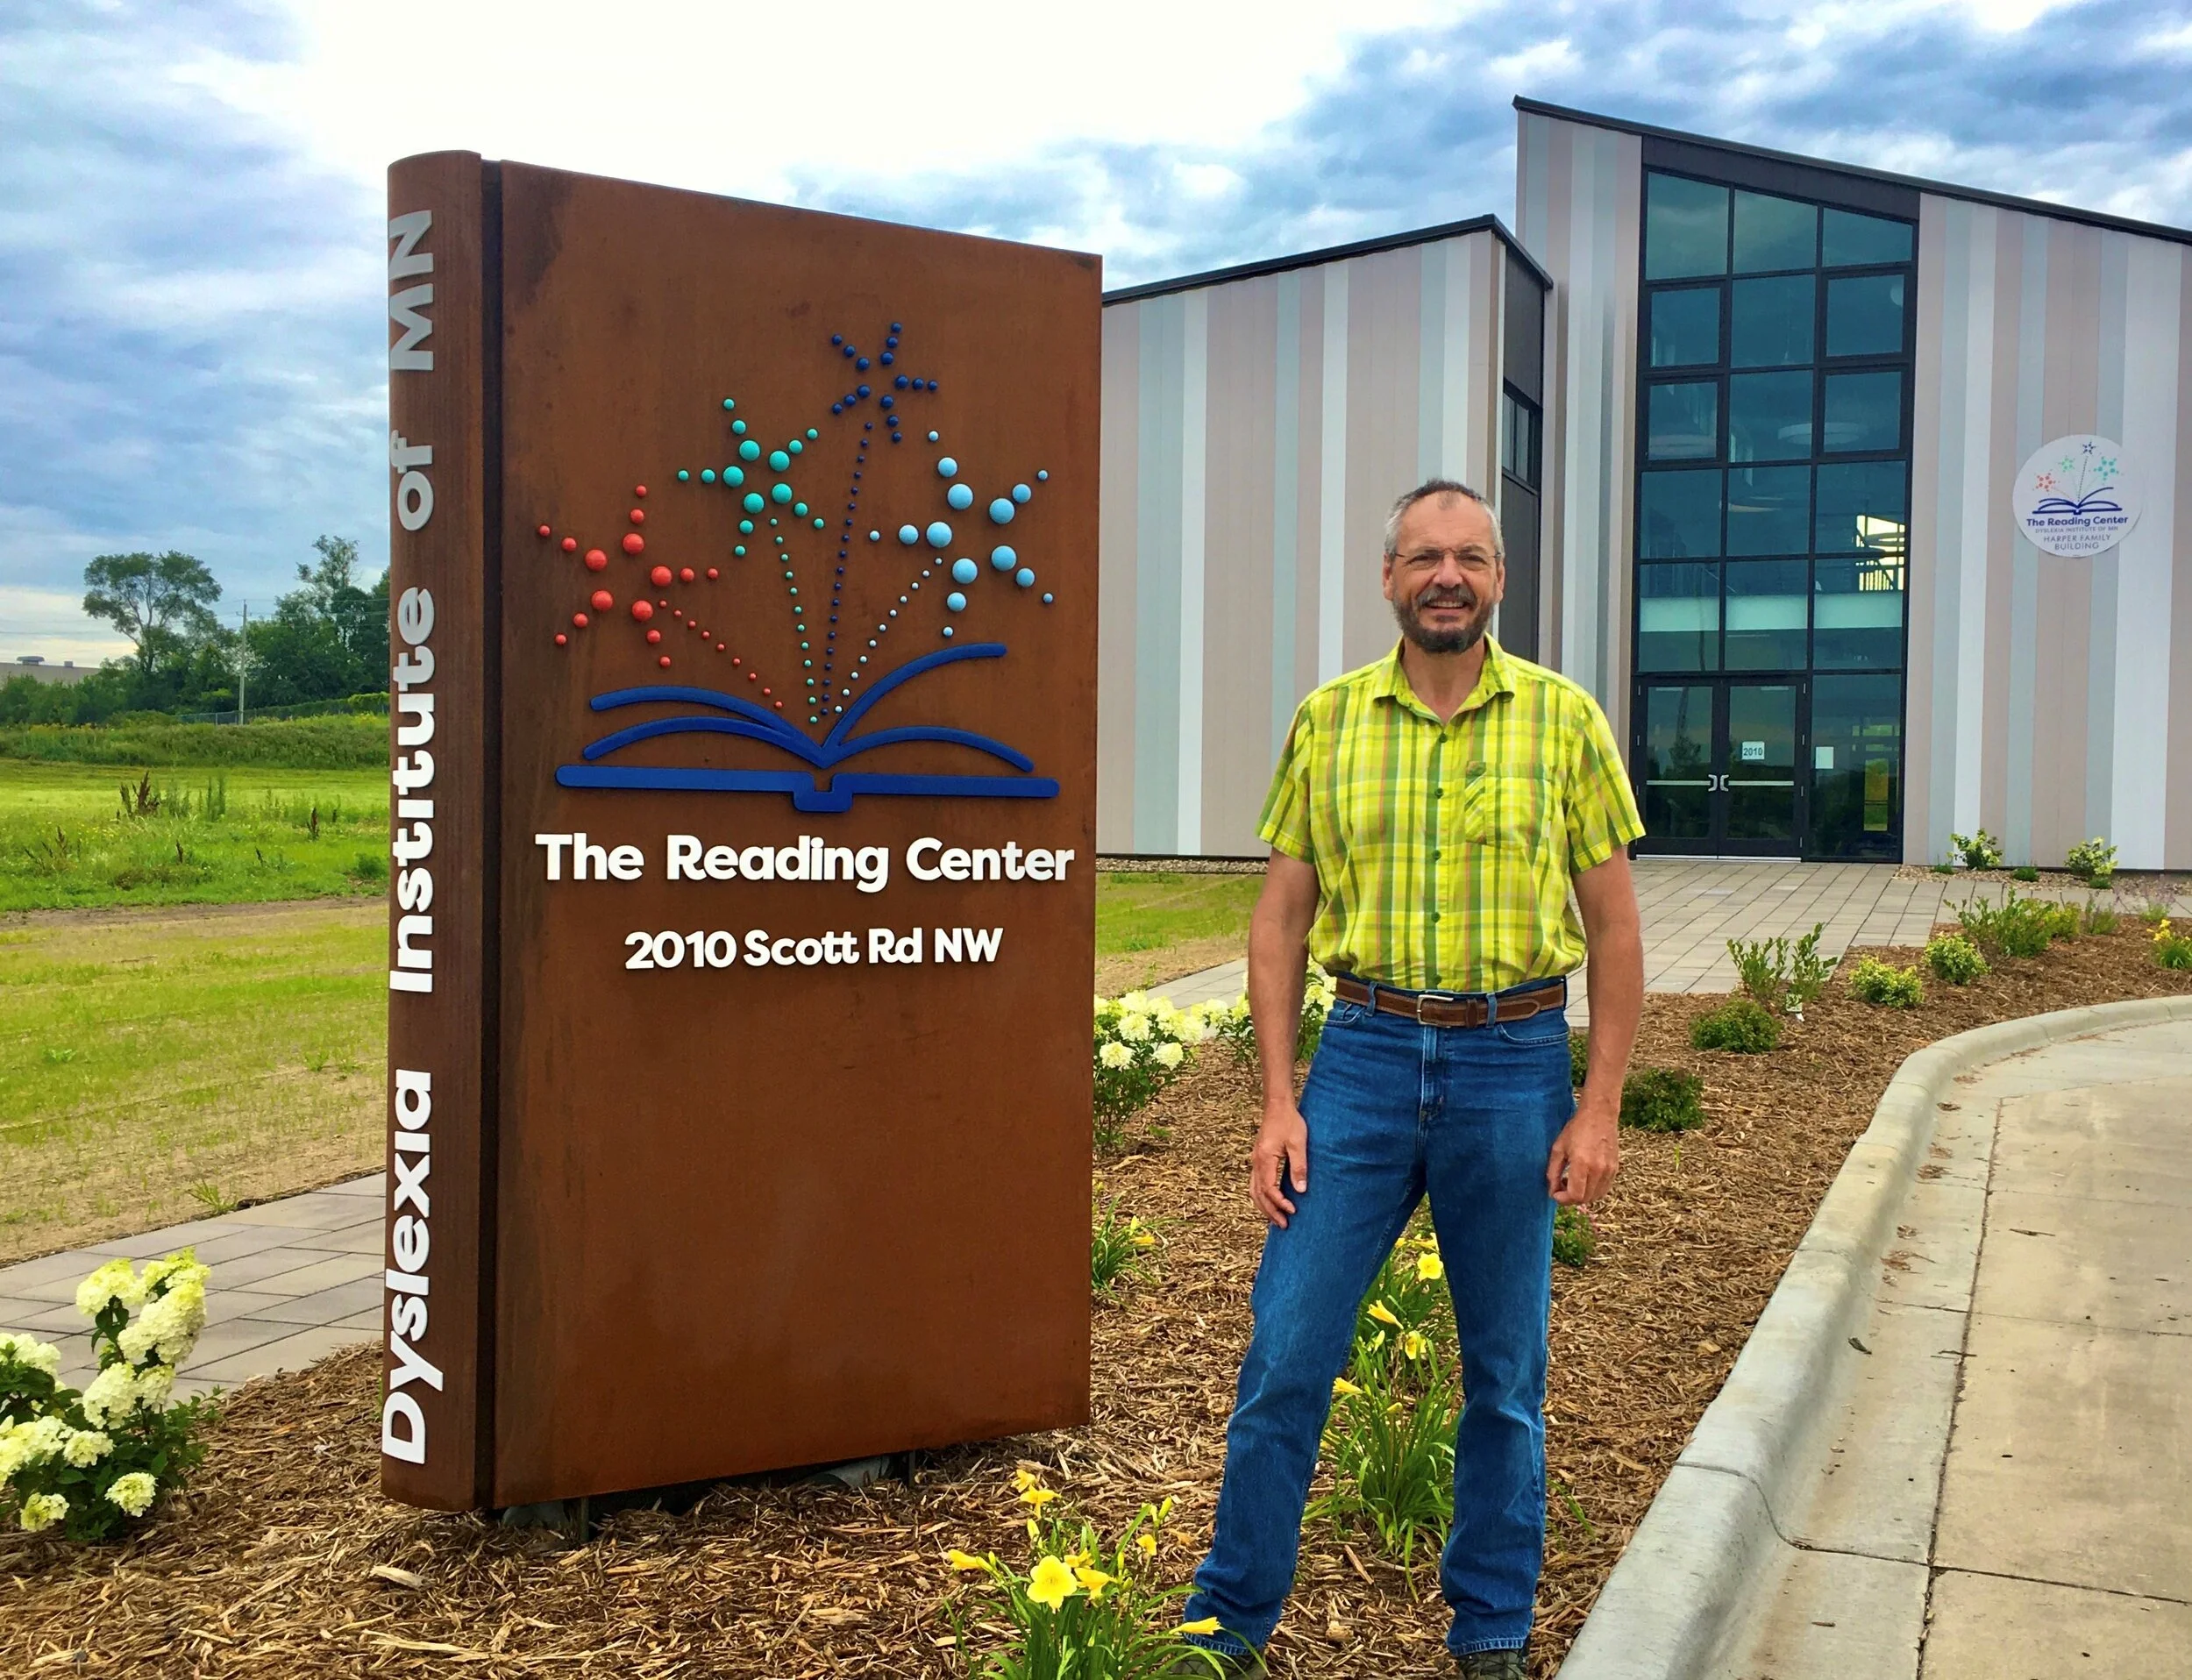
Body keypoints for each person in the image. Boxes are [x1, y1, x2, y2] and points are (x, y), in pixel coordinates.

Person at [1169, 479, 1646, 1679]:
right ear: (1388, 578)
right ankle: (1227, 1630)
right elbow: (1278, 925)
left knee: (1506, 1378)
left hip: (1514, 1063)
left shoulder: (1565, 721)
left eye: (1472, 557)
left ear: (1498, 579)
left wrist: (1598, 1109)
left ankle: (1489, 1630)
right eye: (1426, 556)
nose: (1449, 576)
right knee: (1286, 1352)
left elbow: (1619, 933)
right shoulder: (1330, 723)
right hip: (1364, 1065)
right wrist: (1280, 1102)